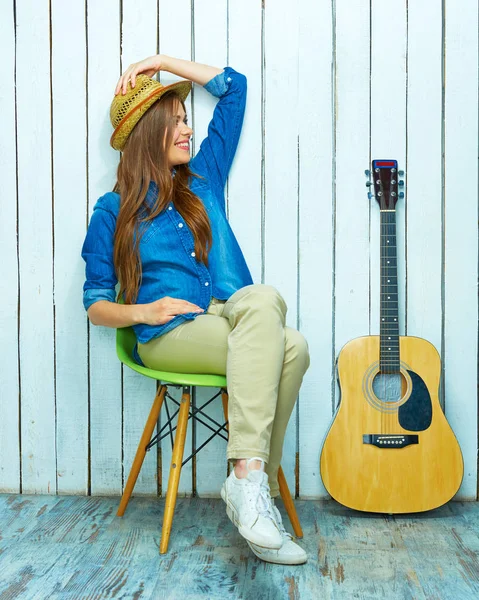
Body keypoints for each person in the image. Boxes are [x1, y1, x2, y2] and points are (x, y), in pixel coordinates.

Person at [82, 54, 310, 565]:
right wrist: (144, 313)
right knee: (280, 330)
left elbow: (235, 89)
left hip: (228, 317)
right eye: (177, 121)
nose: (188, 128)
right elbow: (95, 303)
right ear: (149, 133)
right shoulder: (113, 209)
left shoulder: (203, 179)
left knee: (287, 333)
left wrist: (159, 61)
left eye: (187, 119)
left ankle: (248, 484)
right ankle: (256, 488)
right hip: (171, 332)